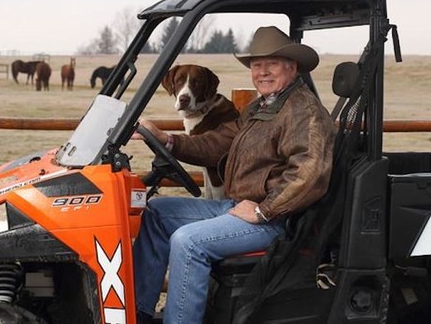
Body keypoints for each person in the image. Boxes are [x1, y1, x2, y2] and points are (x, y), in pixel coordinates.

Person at [132, 26, 336, 324]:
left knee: (188, 241)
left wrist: (264, 211)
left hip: (278, 221)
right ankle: (139, 314)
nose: (262, 72)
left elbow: (309, 173)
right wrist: (167, 141)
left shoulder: (304, 111)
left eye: (272, 64)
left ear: (292, 67)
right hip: (240, 207)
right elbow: (219, 144)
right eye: (257, 65)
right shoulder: (260, 107)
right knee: (156, 214)